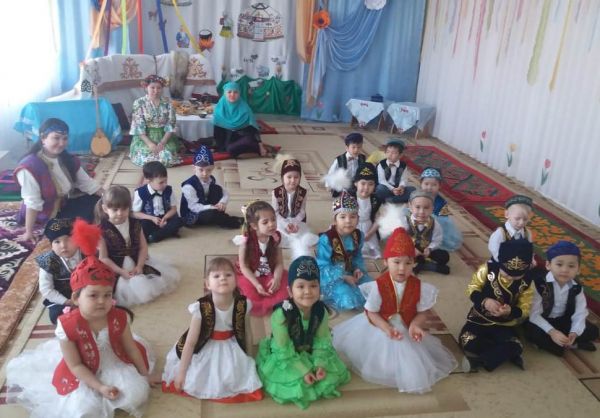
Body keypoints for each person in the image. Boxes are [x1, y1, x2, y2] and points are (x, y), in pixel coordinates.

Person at [5, 219, 155, 418]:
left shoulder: (118, 317)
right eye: (94, 296)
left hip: (113, 362)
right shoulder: (67, 325)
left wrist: (145, 375)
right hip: (82, 370)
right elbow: (75, 365)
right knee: (82, 409)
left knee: (136, 395)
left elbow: (131, 348)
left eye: (107, 295)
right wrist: (100, 387)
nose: (102, 301)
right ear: (77, 298)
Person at [333, 228, 457, 393]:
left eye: (408, 263)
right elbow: (371, 312)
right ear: (386, 262)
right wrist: (386, 328)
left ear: (414, 263)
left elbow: (423, 312)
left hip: (406, 325)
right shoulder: (378, 286)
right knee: (382, 357)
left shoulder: (419, 287)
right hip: (380, 324)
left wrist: (415, 325)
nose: (402, 268)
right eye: (396, 262)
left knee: (412, 359)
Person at [162, 257, 263, 402]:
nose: (223, 278)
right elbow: (191, 342)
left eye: (228, 274)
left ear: (236, 281)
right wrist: (181, 373)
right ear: (207, 284)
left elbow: (247, 333)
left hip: (231, 345)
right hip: (205, 345)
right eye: (216, 276)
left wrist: (250, 360)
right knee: (202, 377)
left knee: (235, 375)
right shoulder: (201, 307)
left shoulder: (243, 304)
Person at [256, 256, 350, 409]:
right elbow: (283, 349)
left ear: (319, 288)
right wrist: (303, 370)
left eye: (313, 286)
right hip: (287, 356)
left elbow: (322, 340)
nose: (307, 292)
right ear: (290, 291)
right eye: (300, 286)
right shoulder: (281, 315)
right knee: (295, 385)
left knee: (328, 377)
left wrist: (319, 365)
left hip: (311, 350)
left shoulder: (321, 311)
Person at [14, 118, 102, 242]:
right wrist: (29, 231)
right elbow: (32, 202)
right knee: (58, 230)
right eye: (56, 138)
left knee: (99, 202)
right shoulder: (29, 167)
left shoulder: (67, 159)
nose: (61, 143)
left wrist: (111, 198)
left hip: (63, 205)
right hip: (43, 216)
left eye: (65, 138)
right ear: (43, 138)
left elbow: (88, 184)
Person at [97, 185, 180, 307]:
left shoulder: (135, 224)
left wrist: (140, 265)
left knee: (154, 281)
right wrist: (121, 271)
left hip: (137, 261)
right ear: (105, 209)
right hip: (115, 267)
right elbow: (103, 258)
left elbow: (143, 247)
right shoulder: (101, 230)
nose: (120, 213)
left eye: (124, 209)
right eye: (115, 210)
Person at [459, 239, 535, 372]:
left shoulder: (528, 282)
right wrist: (485, 301)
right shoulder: (487, 269)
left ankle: (479, 361)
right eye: (507, 272)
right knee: (466, 340)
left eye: (517, 275)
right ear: (499, 262)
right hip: (479, 318)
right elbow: (472, 288)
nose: (511, 277)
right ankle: (502, 354)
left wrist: (510, 311)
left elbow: (525, 308)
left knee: (516, 345)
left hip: (504, 324)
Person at [525, 241, 598, 356]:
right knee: (534, 334)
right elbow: (534, 314)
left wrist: (574, 332)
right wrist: (552, 332)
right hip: (542, 319)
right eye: (559, 264)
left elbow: (580, 312)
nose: (565, 270)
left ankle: (568, 343)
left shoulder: (576, 288)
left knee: (593, 331)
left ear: (578, 269)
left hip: (563, 319)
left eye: (571, 266)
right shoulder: (539, 284)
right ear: (548, 265)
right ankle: (572, 345)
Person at [316, 191, 372, 310]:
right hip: (332, 276)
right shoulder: (326, 239)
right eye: (343, 217)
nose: (348, 221)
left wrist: (357, 269)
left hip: (351, 271)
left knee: (372, 289)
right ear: (335, 220)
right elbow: (322, 266)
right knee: (348, 298)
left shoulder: (358, 235)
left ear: (358, 219)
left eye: (353, 216)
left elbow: (357, 256)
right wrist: (343, 277)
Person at [233, 200, 288, 316]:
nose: (271, 224)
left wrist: (277, 278)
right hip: (250, 275)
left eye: (273, 219)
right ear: (254, 226)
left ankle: (271, 297)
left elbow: (279, 263)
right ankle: (260, 298)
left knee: (285, 288)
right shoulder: (245, 241)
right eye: (265, 222)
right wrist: (256, 284)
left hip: (270, 273)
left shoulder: (276, 238)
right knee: (247, 295)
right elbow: (244, 267)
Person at [180, 145, 243, 229]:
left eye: (208, 170)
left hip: (207, 205)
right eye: (201, 170)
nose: (205, 174)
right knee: (211, 214)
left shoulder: (211, 179)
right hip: (192, 213)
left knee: (217, 189)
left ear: (213, 168)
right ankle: (231, 221)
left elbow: (225, 192)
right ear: (194, 168)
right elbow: (193, 207)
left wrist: (222, 202)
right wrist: (211, 207)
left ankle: (220, 216)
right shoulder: (189, 186)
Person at [129, 74, 182, 167]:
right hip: (145, 137)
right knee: (148, 158)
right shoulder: (139, 103)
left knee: (167, 157)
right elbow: (138, 126)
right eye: (152, 87)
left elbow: (171, 124)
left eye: (159, 88)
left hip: (164, 136)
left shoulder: (168, 102)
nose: (156, 91)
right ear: (146, 87)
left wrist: (162, 143)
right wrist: (150, 144)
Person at [36, 218, 80, 324]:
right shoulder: (48, 261)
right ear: (51, 245)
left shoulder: (87, 253)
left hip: (86, 294)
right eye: (57, 242)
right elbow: (46, 289)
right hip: (62, 298)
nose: (63, 245)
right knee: (59, 316)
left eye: (68, 239)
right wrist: (67, 301)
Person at [271, 154, 317, 250]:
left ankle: (295, 238)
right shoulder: (275, 192)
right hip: (281, 221)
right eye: (289, 177)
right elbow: (275, 213)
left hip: (297, 220)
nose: (292, 180)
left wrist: (295, 223)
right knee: (276, 233)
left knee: (304, 234)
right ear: (282, 177)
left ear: (300, 178)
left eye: (296, 177)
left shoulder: (303, 192)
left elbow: (302, 211)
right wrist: (286, 224)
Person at [399, 190, 450, 275]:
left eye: (426, 208)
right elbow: (400, 238)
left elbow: (437, 240)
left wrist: (429, 248)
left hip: (425, 249)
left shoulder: (435, 224)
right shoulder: (404, 221)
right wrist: (412, 249)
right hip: (409, 249)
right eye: (417, 207)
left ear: (432, 208)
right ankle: (429, 266)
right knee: (400, 255)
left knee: (444, 256)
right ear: (410, 207)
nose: (422, 211)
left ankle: (419, 264)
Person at [212, 81, 269, 157]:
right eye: (229, 92)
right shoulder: (219, 109)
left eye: (235, 92)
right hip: (229, 137)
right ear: (225, 93)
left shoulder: (245, 108)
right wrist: (218, 146)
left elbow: (254, 128)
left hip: (243, 136)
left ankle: (255, 146)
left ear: (239, 94)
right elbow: (217, 130)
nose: (232, 94)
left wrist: (260, 146)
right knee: (224, 149)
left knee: (231, 150)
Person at [132, 161, 183, 243]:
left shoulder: (168, 190)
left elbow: (173, 209)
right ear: (148, 181)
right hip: (149, 219)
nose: (165, 184)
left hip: (165, 218)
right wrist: (152, 218)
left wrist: (165, 218)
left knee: (179, 221)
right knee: (142, 226)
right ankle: (163, 233)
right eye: (161, 182)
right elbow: (135, 213)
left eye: (166, 181)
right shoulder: (140, 193)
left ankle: (155, 236)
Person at [419, 167, 463, 251]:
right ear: (421, 183)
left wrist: (432, 219)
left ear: (439, 186)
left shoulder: (441, 202)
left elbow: (445, 220)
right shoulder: (417, 197)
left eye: (434, 185)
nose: (429, 187)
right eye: (426, 184)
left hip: (435, 227)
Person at [488, 194, 534, 262]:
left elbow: (529, 249)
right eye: (517, 219)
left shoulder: (527, 233)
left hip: (520, 264)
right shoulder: (500, 233)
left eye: (525, 219)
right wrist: (505, 263)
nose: (521, 223)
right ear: (507, 214)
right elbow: (494, 249)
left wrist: (531, 259)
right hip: (501, 264)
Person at [353, 162, 383, 259]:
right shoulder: (350, 197)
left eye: (370, 184)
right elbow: (342, 216)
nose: (366, 188)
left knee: (369, 247)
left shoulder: (376, 200)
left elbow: (379, 219)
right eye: (363, 183)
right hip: (351, 225)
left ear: (375, 185)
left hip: (368, 228)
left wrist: (369, 234)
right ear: (356, 183)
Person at [325, 132, 366, 197]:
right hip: (343, 183)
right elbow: (331, 172)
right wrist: (328, 185)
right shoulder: (339, 159)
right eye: (353, 147)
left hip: (355, 183)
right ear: (347, 148)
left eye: (359, 147)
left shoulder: (363, 158)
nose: (356, 150)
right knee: (343, 193)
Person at [375, 138, 415, 204]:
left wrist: (401, 187)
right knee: (380, 189)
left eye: (393, 153)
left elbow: (404, 179)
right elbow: (382, 180)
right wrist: (392, 189)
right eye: (388, 152)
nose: (390, 154)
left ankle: (391, 200)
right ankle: (396, 199)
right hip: (386, 188)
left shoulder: (403, 165)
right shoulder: (381, 164)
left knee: (412, 190)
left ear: (400, 155)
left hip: (398, 189)